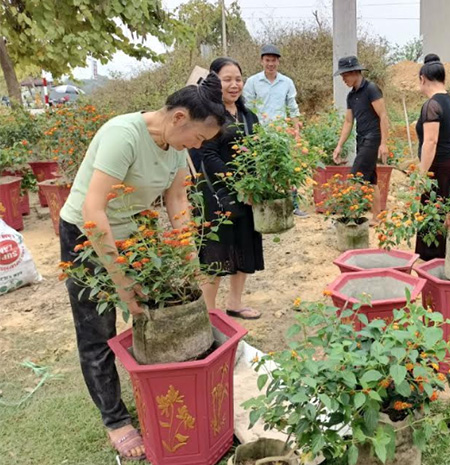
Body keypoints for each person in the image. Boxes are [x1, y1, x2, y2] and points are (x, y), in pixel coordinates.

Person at [58, 74, 226, 461]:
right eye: (198, 138)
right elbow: (93, 211)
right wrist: (122, 283)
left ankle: (156, 386)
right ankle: (115, 419)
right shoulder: (124, 135)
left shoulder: (175, 145)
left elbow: (178, 200)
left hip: (135, 231)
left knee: (152, 312)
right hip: (87, 235)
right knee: (97, 330)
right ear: (179, 117)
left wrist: (186, 261)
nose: (197, 147)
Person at [190, 57, 264, 320]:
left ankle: (235, 302)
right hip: (215, 193)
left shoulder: (248, 116)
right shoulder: (208, 116)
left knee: (244, 245)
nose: (234, 85)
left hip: (246, 195)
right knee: (215, 251)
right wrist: (235, 182)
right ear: (214, 82)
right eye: (227, 79)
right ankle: (208, 312)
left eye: (238, 79)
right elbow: (208, 157)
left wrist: (259, 182)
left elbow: (258, 153)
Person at [243, 45, 307, 217]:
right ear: (262, 61)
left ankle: (293, 205)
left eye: (274, 60)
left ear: (278, 62)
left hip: (281, 134)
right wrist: (251, 132)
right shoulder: (252, 82)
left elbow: (293, 107)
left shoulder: (286, 82)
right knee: (261, 169)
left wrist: (296, 130)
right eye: (267, 60)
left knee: (286, 168)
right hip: (260, 134)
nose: (270, 64)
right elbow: (247, 109)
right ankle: (265, 206)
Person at [333, 55, 390, 223]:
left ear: (355, 72)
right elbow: (348, 121)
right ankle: (377, 218)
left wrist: (384, 143)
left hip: (373, 138)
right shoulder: (351, 96)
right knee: (371, 180)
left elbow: (383, 115)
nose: (343, 79)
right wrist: (339, 145)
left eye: (345, 75)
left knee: (355, 178)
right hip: (361, 138)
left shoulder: (371, 89)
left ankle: (348, 219)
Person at [415, 54, 450, 260]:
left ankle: (431, 259)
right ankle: (440, 255)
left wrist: (422, 175)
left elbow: (430, 142)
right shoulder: (449, 101)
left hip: (437, 166)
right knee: (441, 209)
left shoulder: (431, 105)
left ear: (423, 78)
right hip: (449, 162)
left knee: (431, 211)